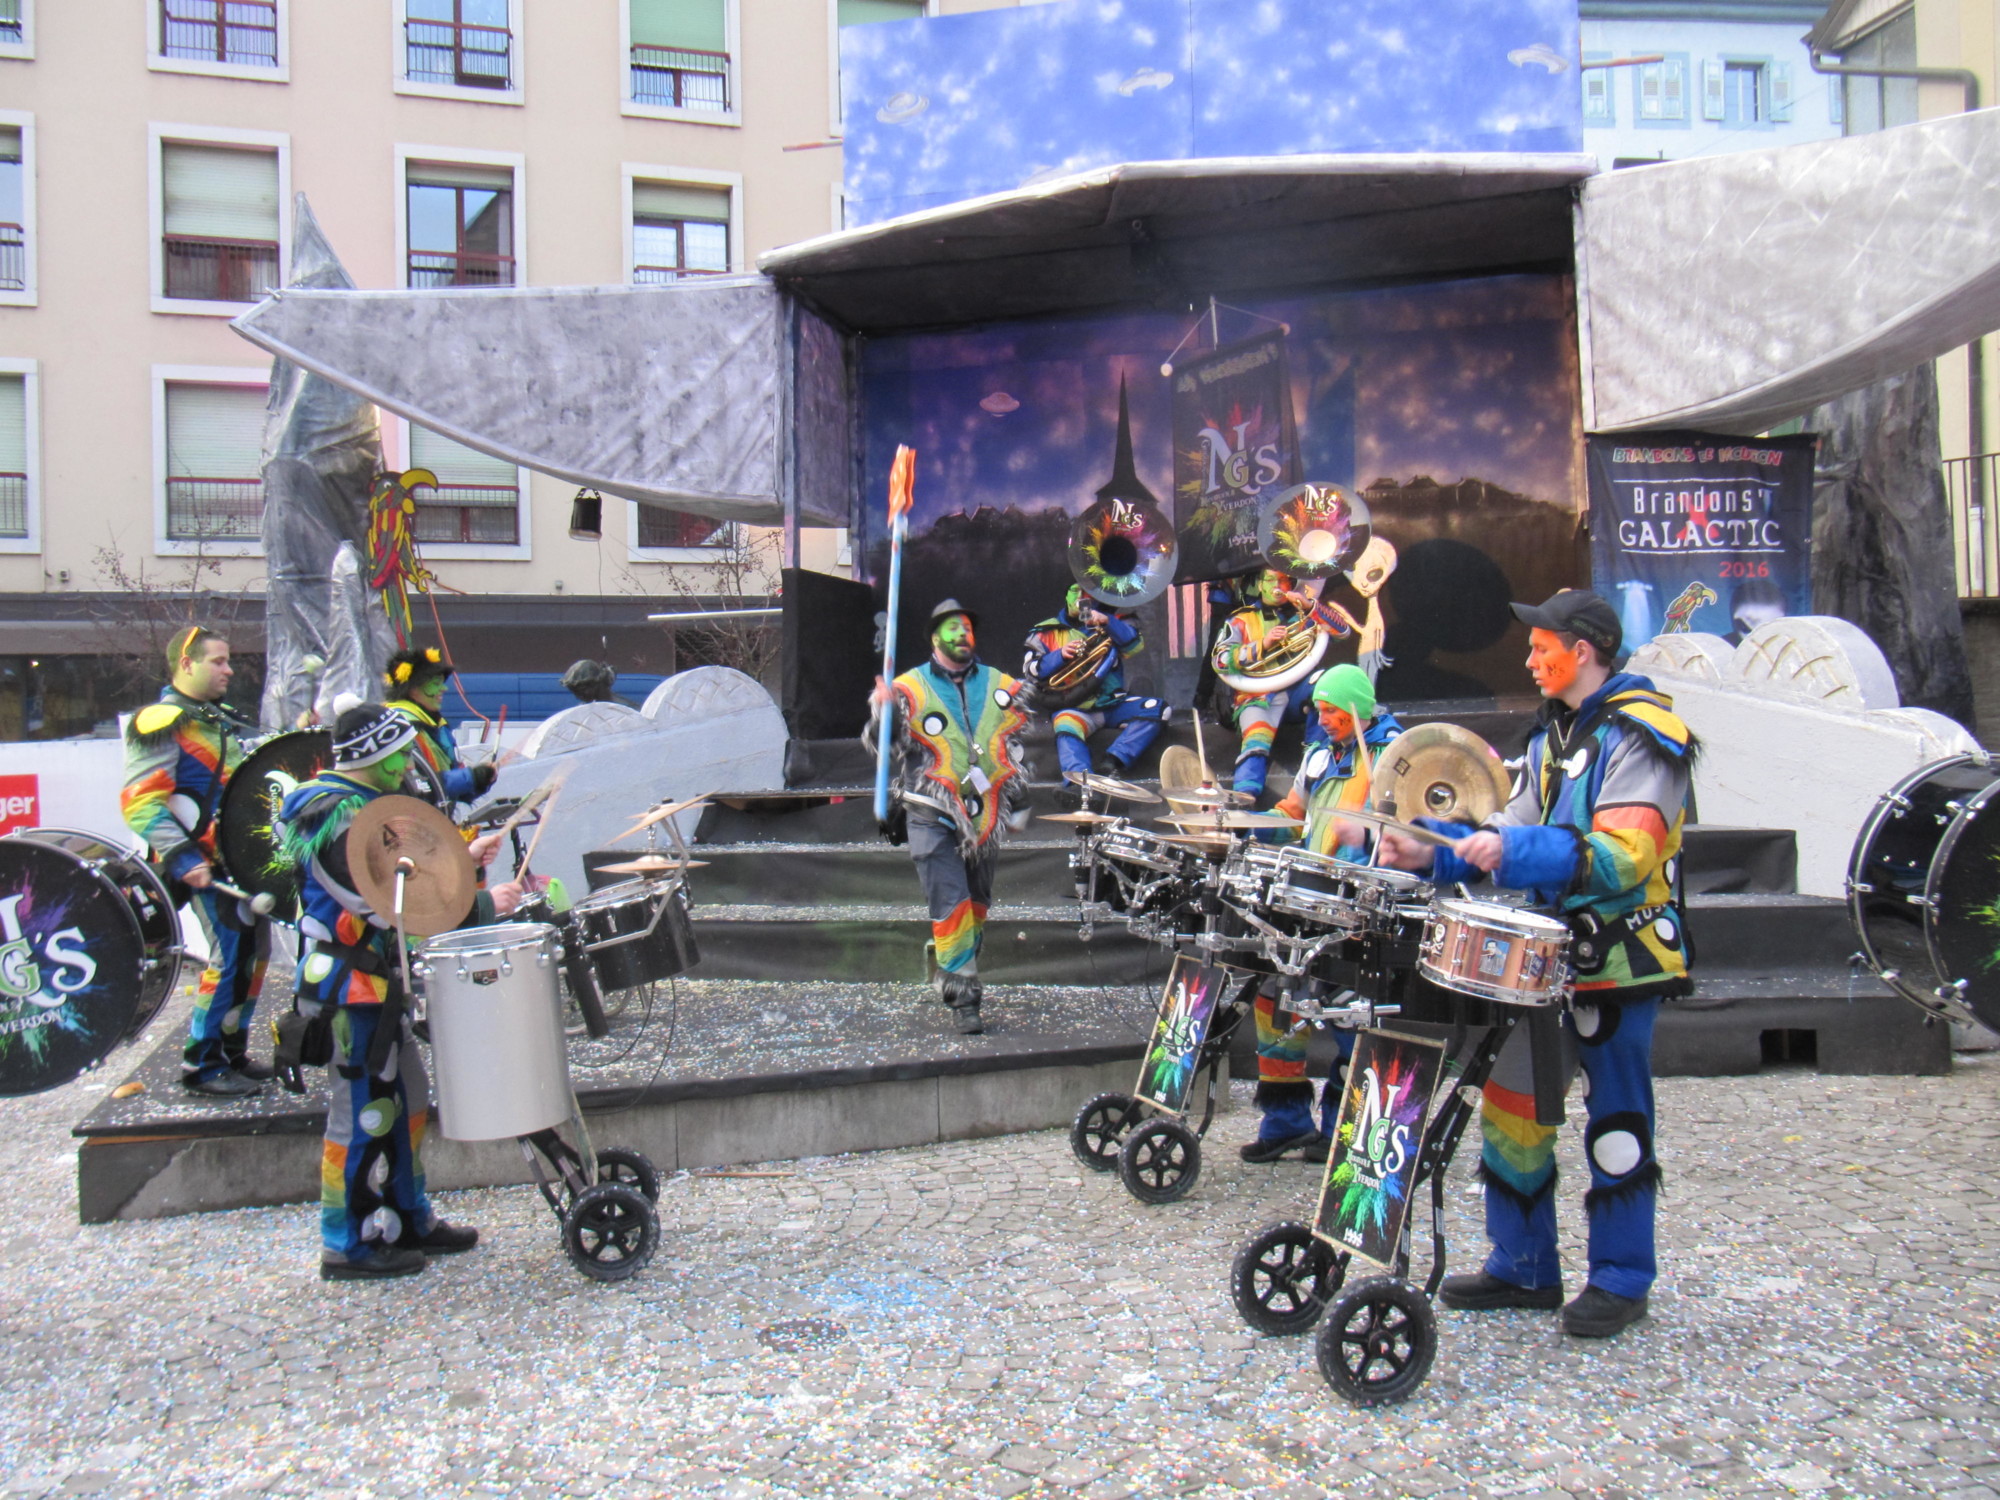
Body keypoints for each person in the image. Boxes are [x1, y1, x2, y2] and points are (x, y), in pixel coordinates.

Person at [1377, 588, 1695, 1339]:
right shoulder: (1553, 734)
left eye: (1540, 647)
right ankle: (1522, 1265)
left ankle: (1621, 1278)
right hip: (1542, 961)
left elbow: (1624, 856)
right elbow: (1509, 823)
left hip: (1622, 959)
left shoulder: (1648, 735)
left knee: (1617, 1117)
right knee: (1512, 1106)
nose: (1528, 659)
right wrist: (1432, 849)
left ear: (1580, 652)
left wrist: (1512, 848)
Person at [278, 703, 527, 1281]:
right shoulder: (336, 816)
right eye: (399, 754)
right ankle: (348, 1242)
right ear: (372, 755)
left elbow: (407, 877)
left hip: (379, 985)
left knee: (408, 1099)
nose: (410, 764)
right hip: (348, 987)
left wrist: (462, 861)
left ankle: (405, 1217)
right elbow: (388, 903)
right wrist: (480, 905)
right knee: (361, 1113)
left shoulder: (367, 805)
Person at [1240, 664, 1404, 1162]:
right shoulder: (1318, 755)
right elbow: (1294, 815)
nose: (1323, 719)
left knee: (1350, 1016)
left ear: (1357, 707)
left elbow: (1412, 828)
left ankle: (1341, 1130)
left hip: (1361, 909)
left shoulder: (1395, 755)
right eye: (1320, 710)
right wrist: (1244, 821)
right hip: (1309, 901)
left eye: (1333, 711)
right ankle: (1285, 1121)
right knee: (1275, 1003)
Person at [121, 625, 273, 1098]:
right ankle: (202, 1066)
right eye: (218, 661)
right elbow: (140, 804)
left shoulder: (210, 719)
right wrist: (184, 856)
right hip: (201, 863)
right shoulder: (162, 721)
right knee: (228, 959)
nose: (229, 671)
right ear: (187, 664)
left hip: (234, 861)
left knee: (253, 955)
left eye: (229, 661)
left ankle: (231, 1052)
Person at [867, 600, 1031, 1035]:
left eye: (967, 627)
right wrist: (885, 710)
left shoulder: (999, 684)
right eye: (952, 628)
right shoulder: (908, 687)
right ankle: (964, 998)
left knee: (976, 906)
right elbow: (883, 746)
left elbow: (1013, 748)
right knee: (952, 903)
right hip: (930, 810)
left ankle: (947, 957)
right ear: (935, 637)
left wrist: (1021, 801)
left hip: (984, 814)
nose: (962, 634)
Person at [1210, 567, 1353, 801]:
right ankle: (1243, 800)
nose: (1278, 585)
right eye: (1271, 580)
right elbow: (1220, 660)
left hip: (1296, 693)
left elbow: (1343, 632)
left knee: (1324, 687)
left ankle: (1316, 775)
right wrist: (1263, 645)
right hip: (1257, 696)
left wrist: (1310, 607)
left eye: (1284, 580)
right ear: (1260, 586)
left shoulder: (1302, 615)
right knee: (1256, 742)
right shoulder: (1240, 619)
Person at [1022, 583, 1167, 807]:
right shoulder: (1045, 632)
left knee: (1159, 709)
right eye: (1077, 592)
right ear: (1067, 596)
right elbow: (1031, 671)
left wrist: (1108, 622)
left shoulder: (1114, 622)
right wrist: (1060, 655)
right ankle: (1079, 784)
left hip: (1112, 704)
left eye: (1088, 593)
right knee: (1064, 725)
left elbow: (1134, 646)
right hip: (1075, 707)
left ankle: (1113, 761)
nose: (1082, 599)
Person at [383, 646, 498, 807]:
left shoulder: (437, 726)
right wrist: (471, 777)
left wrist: (480, 780)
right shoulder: (399, 728)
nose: (443, 688)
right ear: (413, 689)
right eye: (435, 684)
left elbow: (451, 782)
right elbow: (418, 785)